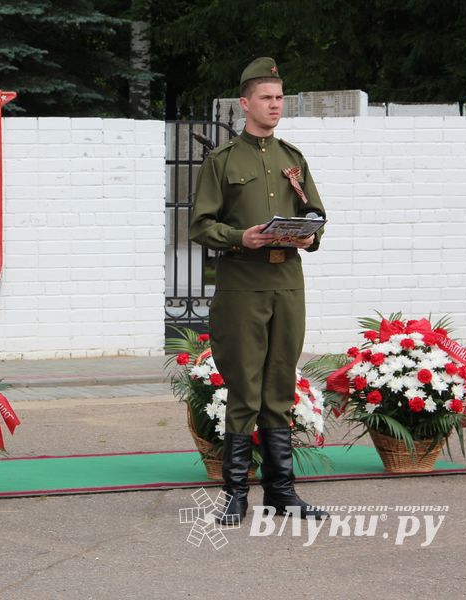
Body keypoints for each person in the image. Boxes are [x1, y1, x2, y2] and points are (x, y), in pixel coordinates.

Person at [189, 57, 328, 523]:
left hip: (286, 282)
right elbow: (201, 225)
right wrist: (239, 237)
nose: (276, 105)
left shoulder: (293, 159)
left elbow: (316, 215)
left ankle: (282, 492)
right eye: (267, 98)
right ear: (245, 104)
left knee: (280, 385)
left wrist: (311, 235)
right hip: (242, 284)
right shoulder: (223, 161)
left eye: (280, 97)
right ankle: (234, 495)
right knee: (245, 387)